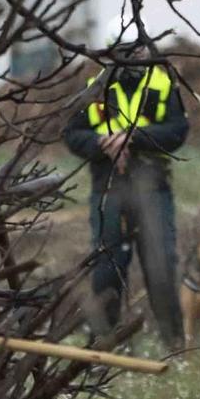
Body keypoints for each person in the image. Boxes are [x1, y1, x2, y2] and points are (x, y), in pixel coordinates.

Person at [65, 39, 189, 344]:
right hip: (109, 189)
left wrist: (133, 137)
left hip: (153, 189)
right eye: (127, 50)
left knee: (160, 266)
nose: (136, 56)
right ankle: (103, 348)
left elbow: (177, 131)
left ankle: (174, 345)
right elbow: (72, 133)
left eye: (139, 49)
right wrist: (102, 142)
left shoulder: (162, 84)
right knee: (107, 268)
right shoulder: (96, 88)